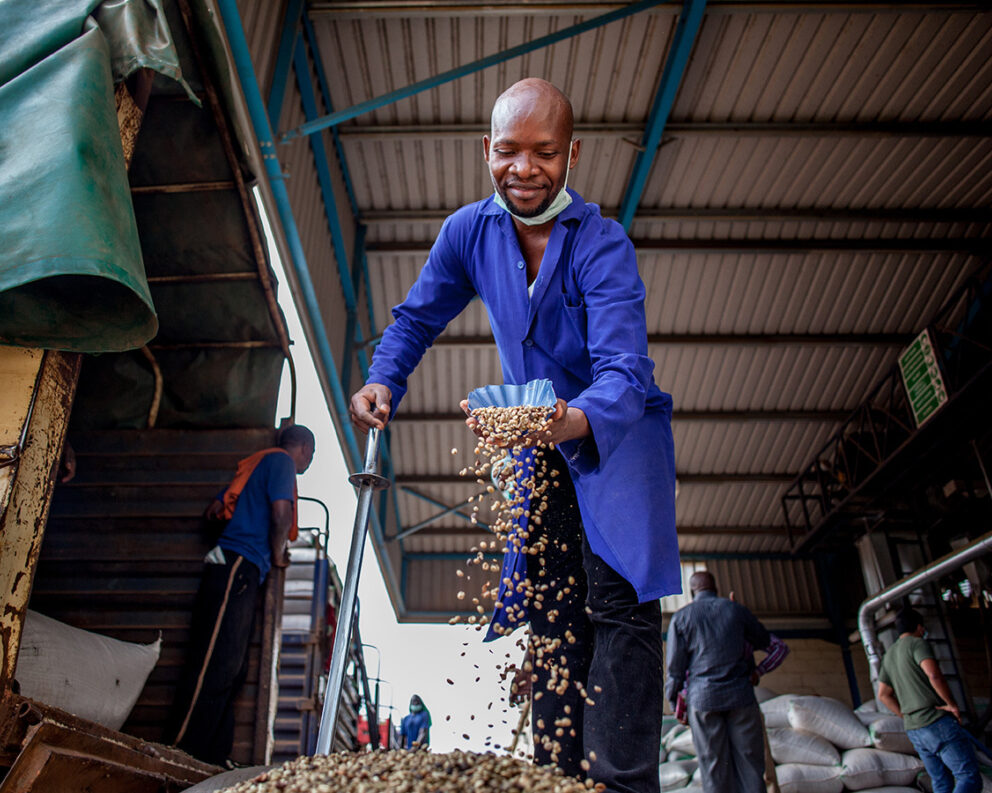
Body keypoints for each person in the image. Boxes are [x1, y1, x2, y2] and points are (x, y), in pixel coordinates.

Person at [350, 78, 680, 793]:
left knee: (617, 603)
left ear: (572, 155)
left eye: (544, 153)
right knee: (555, 607)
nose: (523, 169)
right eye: (507, 151)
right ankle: (557, 778)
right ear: (486, 150)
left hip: (615, 434)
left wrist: (573, 420)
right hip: (539, 439)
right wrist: (385, 379)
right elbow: (415, 317)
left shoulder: (601, 243)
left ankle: (620, 784)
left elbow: (626, 368)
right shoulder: (470, 231)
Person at [166, 424, 315, 765]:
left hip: (245, 569)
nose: (309, 461)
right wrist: (278, 554)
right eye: (312, 455)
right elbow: (281, 512)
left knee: (232, 668)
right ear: (304, 447)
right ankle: (176, 750)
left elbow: (216, 508)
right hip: (236, 564)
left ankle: (213, 756)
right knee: (213, 664)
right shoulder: (280, 462)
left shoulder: (259, 465)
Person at [665, 571, 772, 793]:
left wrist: (674, 702)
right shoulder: (736, 610)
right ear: (716, 588)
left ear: (693, 590)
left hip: (703, 700)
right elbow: (763, 639)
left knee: (712, 765)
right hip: (740, 696)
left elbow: (675, 669)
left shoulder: (682, 617)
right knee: (750, 764)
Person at [877, 607, 981, 793]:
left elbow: (883, 695)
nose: (924, 631)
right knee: (968, 777)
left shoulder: (889, 655)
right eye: (922, 628)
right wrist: (951, 704)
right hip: (936, 720)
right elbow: (934, 675)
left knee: (941, 783)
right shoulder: (918, 644)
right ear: (918, 627)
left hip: (914, 729)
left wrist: (905, 715)